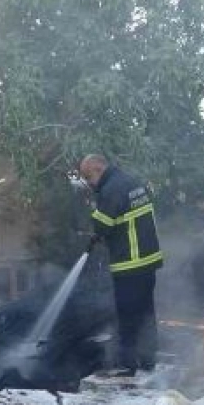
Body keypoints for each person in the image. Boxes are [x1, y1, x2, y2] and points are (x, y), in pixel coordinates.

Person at [78, 154, 163, 372]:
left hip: (130, 262)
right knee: (146, 313)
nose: (89, 183)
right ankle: (148, 360)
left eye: (88, 177)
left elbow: (103, 225)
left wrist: (94, 224)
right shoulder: (132, 182)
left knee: (127, 315)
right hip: (148, 260)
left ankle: (127, 364)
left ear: (98, 169)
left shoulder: (111, 189)